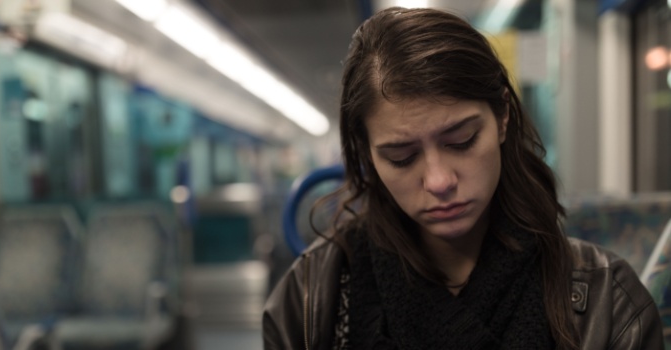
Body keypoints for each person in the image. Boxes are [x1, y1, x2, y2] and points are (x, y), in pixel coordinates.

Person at [263, 7, 663, 350]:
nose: (439, 181)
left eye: (462, 140)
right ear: (367, 153)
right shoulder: (312, 297)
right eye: (401, 158)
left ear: (503, 117)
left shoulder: (609, 302)